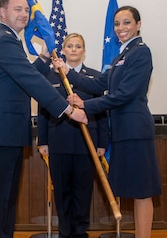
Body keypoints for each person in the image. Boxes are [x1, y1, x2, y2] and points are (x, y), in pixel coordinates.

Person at [0, 0, 87, 238]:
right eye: (17, 9)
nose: (24, 14)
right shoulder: (4, 40)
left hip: (6, 134)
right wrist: (68, 110)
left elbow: (22, 75)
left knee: (6, 202)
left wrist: (44, 57)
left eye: (26, 10)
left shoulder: (10, 40)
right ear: (3, 12)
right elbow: (30, 80)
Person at [54, 6, 161, 238]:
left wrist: (85, 105)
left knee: (142, 192)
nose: (121, 28)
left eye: (126, 23)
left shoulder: (141, 52)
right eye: (117, 24)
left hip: (135, 130)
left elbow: (125, 94)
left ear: (138, 24)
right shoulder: (121, 55)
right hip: (122, 131)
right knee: (132, 190)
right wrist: (67, 71)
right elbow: (99, 83)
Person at [37, 33, 109, 238]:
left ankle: (80, 232)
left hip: (87, 144)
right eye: (70, 46)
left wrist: (102, 142)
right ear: (63, 50)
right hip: (58, 141)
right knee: (62, 191)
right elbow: (43, 110)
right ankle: (64, 232)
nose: (74, 49)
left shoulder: (94, 78)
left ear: (84, 51)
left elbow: (102, 112)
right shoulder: (50, 77)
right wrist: (43, 140)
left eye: (78, 46)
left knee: (83, 191)